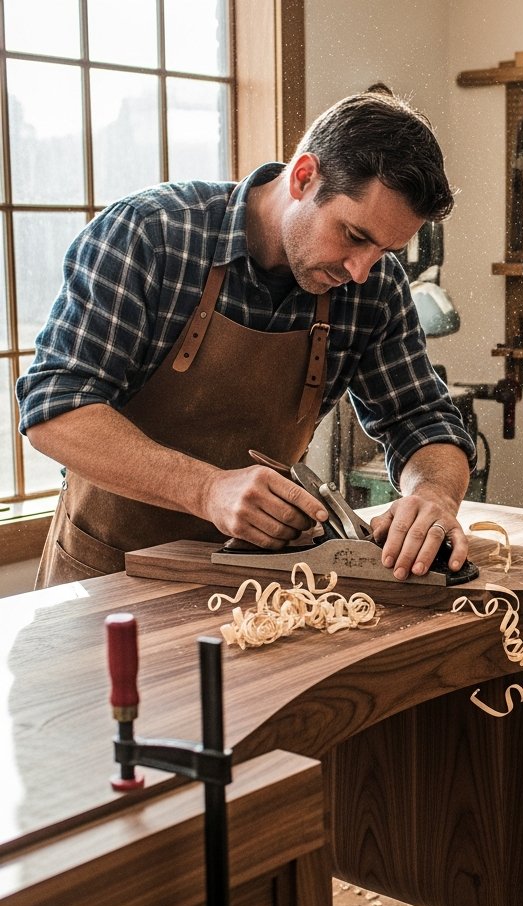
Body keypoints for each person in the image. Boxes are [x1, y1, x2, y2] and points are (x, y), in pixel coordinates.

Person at [17, 88, 476, 589]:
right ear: (304, 177)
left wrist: (433, 495)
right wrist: (207, 490)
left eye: (385, 250)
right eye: (355, 235)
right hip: (109, 573)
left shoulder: (374, 286)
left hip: (262, 589)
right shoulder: (151, 235)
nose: (361, 270)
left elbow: (419, 417)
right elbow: (55, 408)